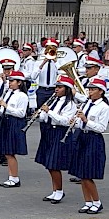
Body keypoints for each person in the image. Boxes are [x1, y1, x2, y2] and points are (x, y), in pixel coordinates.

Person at [68, 77, 109, 214]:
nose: (90, 92)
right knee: (81, 173)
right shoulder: (87, 103)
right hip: (82, 136)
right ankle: (88, 202)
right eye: (90, 89)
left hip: (93, 139)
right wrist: (74, 122)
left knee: (88, 174)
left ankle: (97, 202)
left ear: (101, 91)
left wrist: (86, 120)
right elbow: (81, 122)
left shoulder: (104, 108)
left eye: (93, 90)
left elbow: (101, 128)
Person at [34, 76, 78, 204]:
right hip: (49, 132)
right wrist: (39, 115)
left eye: (59, 87)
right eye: (56, 87)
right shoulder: (53, 100)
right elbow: (44, 117)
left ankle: (59, 191)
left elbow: (65, 121)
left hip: (60, 133)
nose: (56, 89)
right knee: (49, 164)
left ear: (67, 89)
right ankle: (55, 191)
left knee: (54, 164)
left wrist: (49, 112)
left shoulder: (70, 104)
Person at [0, 70, 29, 188]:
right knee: (7, 151)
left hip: (15, 123)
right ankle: (11, 177)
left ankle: (14, 178)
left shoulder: (22, 96)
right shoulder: (8, 93)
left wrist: (6, 107)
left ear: (19, 83)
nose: (10, 83)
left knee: (10, 152)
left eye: (12, 81)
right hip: (6, 121)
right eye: (9, 81)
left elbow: (21, 113)